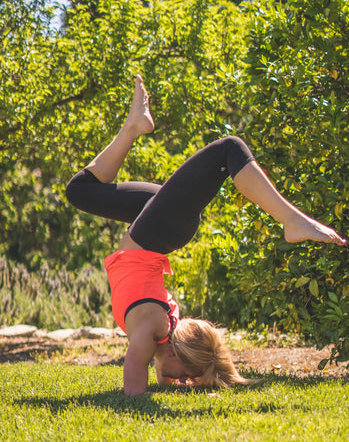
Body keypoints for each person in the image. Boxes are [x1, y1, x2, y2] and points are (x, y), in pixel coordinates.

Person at [66, 75, 346, 396]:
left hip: (159, 228)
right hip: (158, 231)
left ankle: (135, 127)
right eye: (188, 375)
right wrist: (166, 385)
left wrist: (175, 377)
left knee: (80, 190)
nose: (184, 380)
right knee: (229, 148)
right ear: (174, 352)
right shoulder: (153, 330)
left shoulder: (156, 334)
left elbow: (144, 374)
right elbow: (134, 386)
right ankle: (292, 221)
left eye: (186, 379)